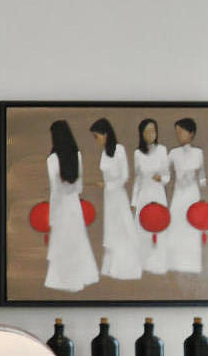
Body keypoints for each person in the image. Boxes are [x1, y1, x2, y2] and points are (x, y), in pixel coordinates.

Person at [44, 118, 99, 293]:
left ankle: (63, 280)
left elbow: (55, 190)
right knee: (77, 241)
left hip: (60, 206)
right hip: (74, 205)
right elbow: (79, 187)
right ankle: (79, 277)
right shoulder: (77, 155)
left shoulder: (52, 159)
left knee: (62, 243)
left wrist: (51, 216)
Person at [91, 118, 140, 281]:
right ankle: (111, 266)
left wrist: (107, 184)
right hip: (108, 197)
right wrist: (105, 186)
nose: (96, 140)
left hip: (118, 195)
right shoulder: (104, 152)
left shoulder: (119, 149)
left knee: (122, 228)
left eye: (97, 136)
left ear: (106, 134)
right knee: (112, 229)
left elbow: (125, 176)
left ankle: (125, 267)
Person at [132, 118, 173, 274]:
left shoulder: (162, 150)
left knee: (159, 226)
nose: (151, 134)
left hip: (158, 194)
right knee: (142, 229)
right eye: (147, 131)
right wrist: (134, 202)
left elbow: (167, 176)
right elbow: (137, 179)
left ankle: (158, 263)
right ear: (141, 134)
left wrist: (161, 179)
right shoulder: (138, 153)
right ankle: (143, 263)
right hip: (144, 195)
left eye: (153, 130)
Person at [167, 117, 206, 276]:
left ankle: (191, 264)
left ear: (191, 133)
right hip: (178, 195)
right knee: (176, 226)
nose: (179, 135)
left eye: (181, 132)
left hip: (193, 195)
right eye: (177, 132)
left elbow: (202, 178)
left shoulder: (199, 153)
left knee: (192, 228)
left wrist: (207, 182)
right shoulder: (173, 153)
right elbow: (165, 174)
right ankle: (175, 263)